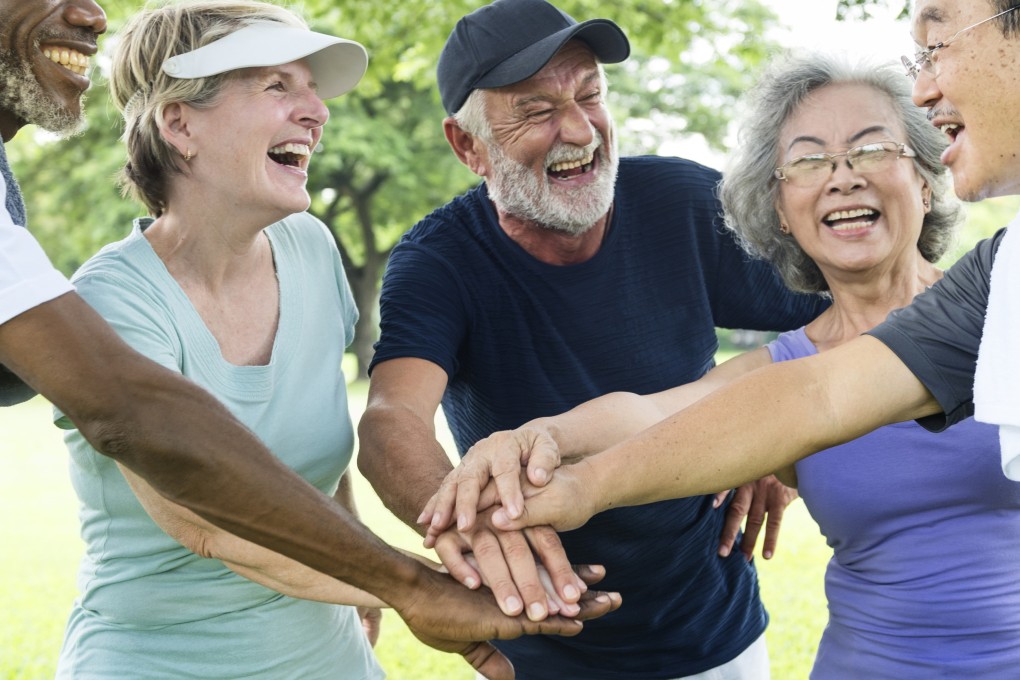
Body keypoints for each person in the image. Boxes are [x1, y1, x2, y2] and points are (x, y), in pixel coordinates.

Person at [0, 3, 619, 672]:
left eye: (311, 89)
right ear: (179, 124)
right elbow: (204, 524)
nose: (316, 112)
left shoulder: (309, 248)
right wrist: (421, 588)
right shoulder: (113, 300)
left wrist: (363, 587)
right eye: (276, 86)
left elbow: (319, 468)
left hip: (330, 654)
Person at [426, 52, 1020, 677]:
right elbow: (652, 412)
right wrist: (535, 439)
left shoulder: (1001, 308)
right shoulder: (786, 369)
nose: (843, 177)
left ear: (925, 180)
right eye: (810, 161)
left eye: (872, 150)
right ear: (782, 213)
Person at [357, 1, 827, 677]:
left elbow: (857, 311)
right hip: (541, 639)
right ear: (468, 148)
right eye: (536, 110)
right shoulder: (437, 262)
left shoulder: (686, 203)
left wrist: (779, 434)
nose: (578, 129)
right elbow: (391, 416)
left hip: (716, 631)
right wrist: (477, 526)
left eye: (590, 96)